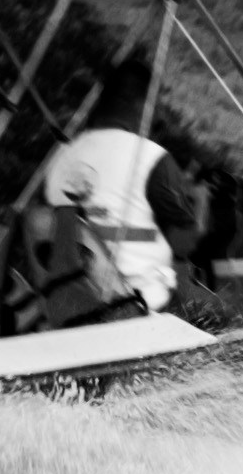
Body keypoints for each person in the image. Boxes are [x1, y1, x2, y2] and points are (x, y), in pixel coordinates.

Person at [24, 48, 183, 322]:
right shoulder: (155, 159)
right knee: (199, 294)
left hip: (70, 305)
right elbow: (185, 242)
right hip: (133, 306)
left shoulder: (62, 157)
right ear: (141, 104)